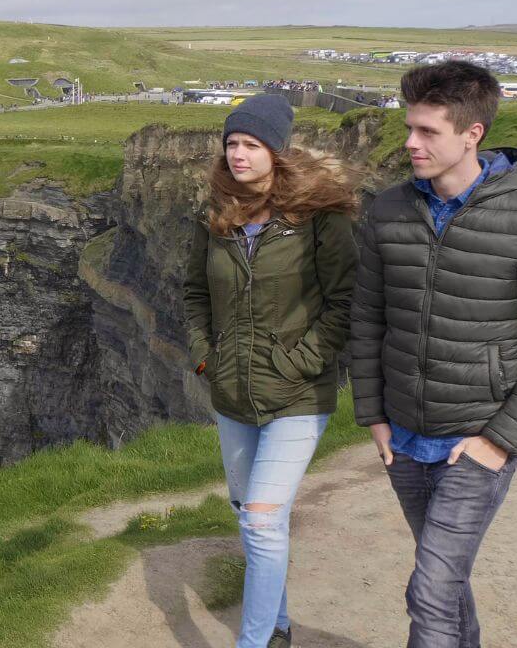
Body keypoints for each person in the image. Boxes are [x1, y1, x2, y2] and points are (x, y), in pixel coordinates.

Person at [350, 61, 517, 647]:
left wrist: (499, 441)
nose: (410, 143)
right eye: (410, 127)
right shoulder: (387, 212)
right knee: (446, 585)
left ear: (472, 133)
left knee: (430, 590)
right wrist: (374, 417)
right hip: (403, 441)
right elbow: (367, 318)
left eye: (427, 131)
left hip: (475, 441)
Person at [183, 94, 359, 648]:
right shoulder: (215, 217)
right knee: (251, 515)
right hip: (232, 393)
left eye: (251, 144)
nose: (238, 154)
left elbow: (347, 302)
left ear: (278, 151)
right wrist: (205, 356)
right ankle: (279, 624)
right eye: (232, 143)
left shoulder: (320, 220)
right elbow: (194, 293)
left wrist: (298, 363)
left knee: (260, 519)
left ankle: (253, 641)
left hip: (298, 396)